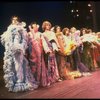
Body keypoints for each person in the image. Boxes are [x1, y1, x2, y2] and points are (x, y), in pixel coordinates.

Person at [0, 16, 37, 92]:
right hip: (10, 50)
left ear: (18, 21)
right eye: (13, 19)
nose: (14, 21)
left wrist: (20, 47)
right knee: (11, 66)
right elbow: (5, 40)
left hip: (18, 49)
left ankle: (20, 81)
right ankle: (14, 82)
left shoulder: (20, 28)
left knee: (18, 65)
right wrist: (8, 47)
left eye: (16, 19)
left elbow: (24, 39)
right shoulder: (9, 29)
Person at [27, 22, 49, 87]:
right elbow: (27, 43)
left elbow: (44, 42)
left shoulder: (40, 34)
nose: (35, 28)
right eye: (33, 27)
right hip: (32, 53)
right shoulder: (29, 34)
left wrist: (46, 49)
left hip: (39, 52)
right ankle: (33, 80)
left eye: (36, 26)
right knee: (33, 67)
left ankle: (40, 81)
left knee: (40, 66)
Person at [42, 21, 60, 85]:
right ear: (44, 26)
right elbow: (43, 43)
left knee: (54, 62)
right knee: (48, 63)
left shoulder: (52, 33)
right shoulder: (43, 34)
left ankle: (55, 77)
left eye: (49, 25)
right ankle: (49, 78)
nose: (48, 26)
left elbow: (55, 40)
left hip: (53, 48)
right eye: (46, 25)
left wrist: (57, 47)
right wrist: (47, 50)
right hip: (47, 49)